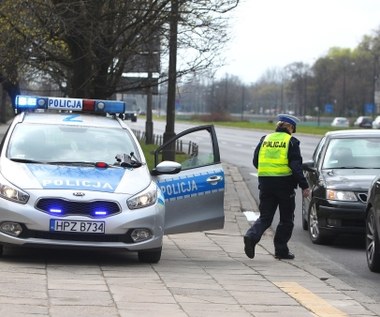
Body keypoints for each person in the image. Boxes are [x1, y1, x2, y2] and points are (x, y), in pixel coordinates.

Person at [244, 114, 310, 260]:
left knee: (266, 217)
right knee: (286, 219)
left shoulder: (265, 139)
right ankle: (281, 250)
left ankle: (251, 236)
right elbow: (295, 166)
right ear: (290, 127)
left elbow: (256, 161)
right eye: (293, 129)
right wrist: (304, 186)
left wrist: (268, 171)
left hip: (265, 183)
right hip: (284, 185)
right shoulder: (291, 142)